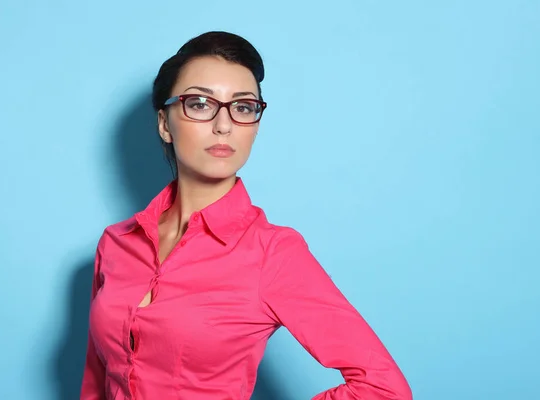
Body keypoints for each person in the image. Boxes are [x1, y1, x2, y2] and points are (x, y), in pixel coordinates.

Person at [80, 31, 412, 400]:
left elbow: (383, 389)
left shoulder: (273, 253)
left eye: (242, 107)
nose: (224, 125)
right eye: (201, 103)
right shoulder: (116, 243)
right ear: (164, 124)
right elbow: (96, 379)